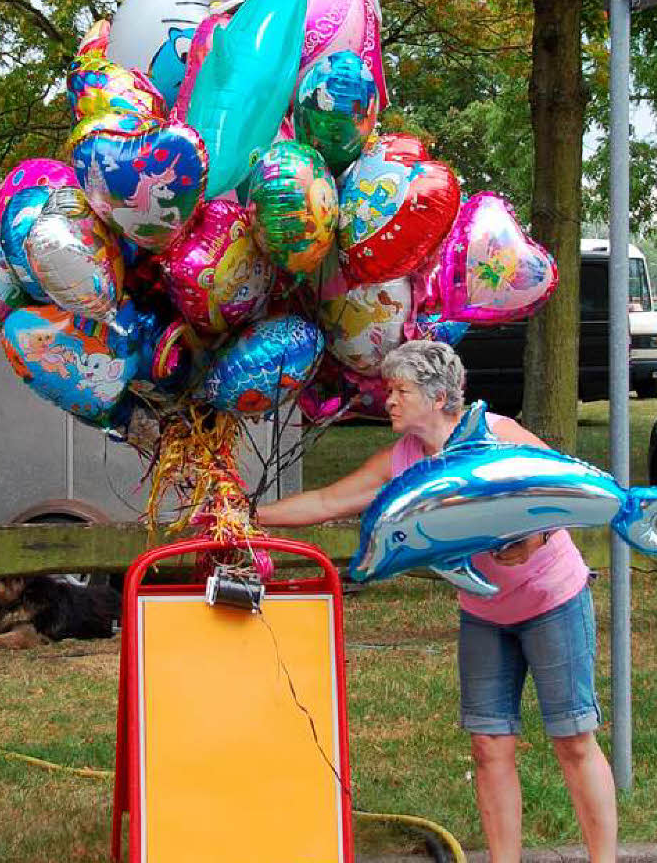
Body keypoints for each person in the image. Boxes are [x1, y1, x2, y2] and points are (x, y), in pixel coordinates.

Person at [257, 340, 617, 863]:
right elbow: (329, 500)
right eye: (390, 391)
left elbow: (560, 485)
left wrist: (534, 539)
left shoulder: (496, 434)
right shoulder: (403, 459)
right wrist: (249, 514)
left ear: (440, 396)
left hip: (550, 600)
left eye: (401, 391)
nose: (390, 402)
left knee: (573, 740)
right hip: (484, 613)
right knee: (489, 747)